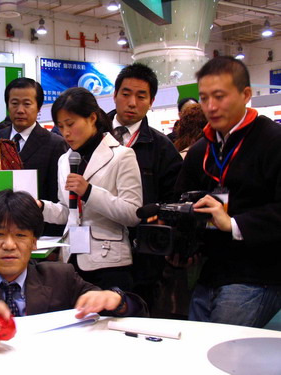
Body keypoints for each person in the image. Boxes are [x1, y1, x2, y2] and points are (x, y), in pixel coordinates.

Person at [0, 190, 147, 344]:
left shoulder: (60, 276)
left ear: (34, 242)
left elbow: (138, 310)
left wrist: (116, 299)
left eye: (20, 236)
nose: (9, 245)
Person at [174, 56, 281, 327]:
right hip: (209, 272)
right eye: (204, 98)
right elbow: (182, 198)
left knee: (224, 354)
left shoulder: (272, 141)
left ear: (246, 94)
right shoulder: (201, 150)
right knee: (197, 351)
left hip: (257, 274)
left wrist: (232, 223)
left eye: (219, 96)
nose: (210, 106)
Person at [38, 87, 142, 291]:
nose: (65, 133)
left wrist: (89, 192)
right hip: (71, 260)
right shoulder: (64, 159)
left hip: (109, 262)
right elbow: (68, 212)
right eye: (60, 126)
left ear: (92, 118)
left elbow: (133, 213)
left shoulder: (122, 155)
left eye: (70, 124)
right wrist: (41, 206)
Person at [107, 63, 183, 313]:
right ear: (114, 94)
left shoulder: (162, 148)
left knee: (140, 317)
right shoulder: (91, 137)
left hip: (142, 257)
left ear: (151, 101)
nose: (132, 102)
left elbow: (174, 198)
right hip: (95, 252)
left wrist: (160, 219)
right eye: (126, 93)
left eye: (141, 96)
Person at [0, 78, 68, 236]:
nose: (20, 110)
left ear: (39, 107)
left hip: (40, 234)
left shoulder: (55, 144)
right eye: (14, 103)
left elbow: (57, 198)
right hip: (0, 229)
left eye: (27, 104)